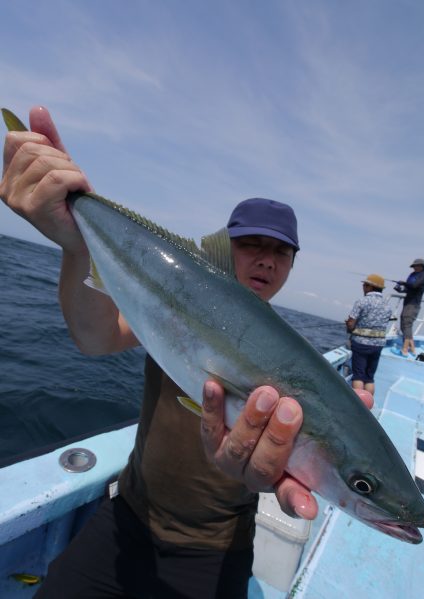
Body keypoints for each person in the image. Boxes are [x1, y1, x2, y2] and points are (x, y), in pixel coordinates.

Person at [1, 106, 373, 599]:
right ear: (226, 247)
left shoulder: (299, 361)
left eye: (279, 251)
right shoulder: (171, 309)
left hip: (215, 549)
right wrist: (76, 244)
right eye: (250, 244)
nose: (264, 258)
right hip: (127, 518)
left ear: (291, 263)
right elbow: (95, 338)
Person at [345, 274, 392, 395]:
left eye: (365, 285)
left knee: (358, 376)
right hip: (378, 345)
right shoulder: (387, 305)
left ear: (370, 287)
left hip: (361, 343)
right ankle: (368, 404)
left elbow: (351, 324)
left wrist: (349, 326)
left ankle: (358, 406)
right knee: (369, 378)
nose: (363, 287)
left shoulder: (362, 301)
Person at [394, 258, 424, 356]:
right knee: (403, 325)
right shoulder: (412, 275)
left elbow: (414, 286)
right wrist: (399, 289)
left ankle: (404, 350)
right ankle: (412, 349)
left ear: (422, 266)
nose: (415, 268)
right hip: (407, 302)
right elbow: (408, 288)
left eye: (417, 266)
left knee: (407, 325)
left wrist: (403, 283)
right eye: (414, 266)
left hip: (414, 304)